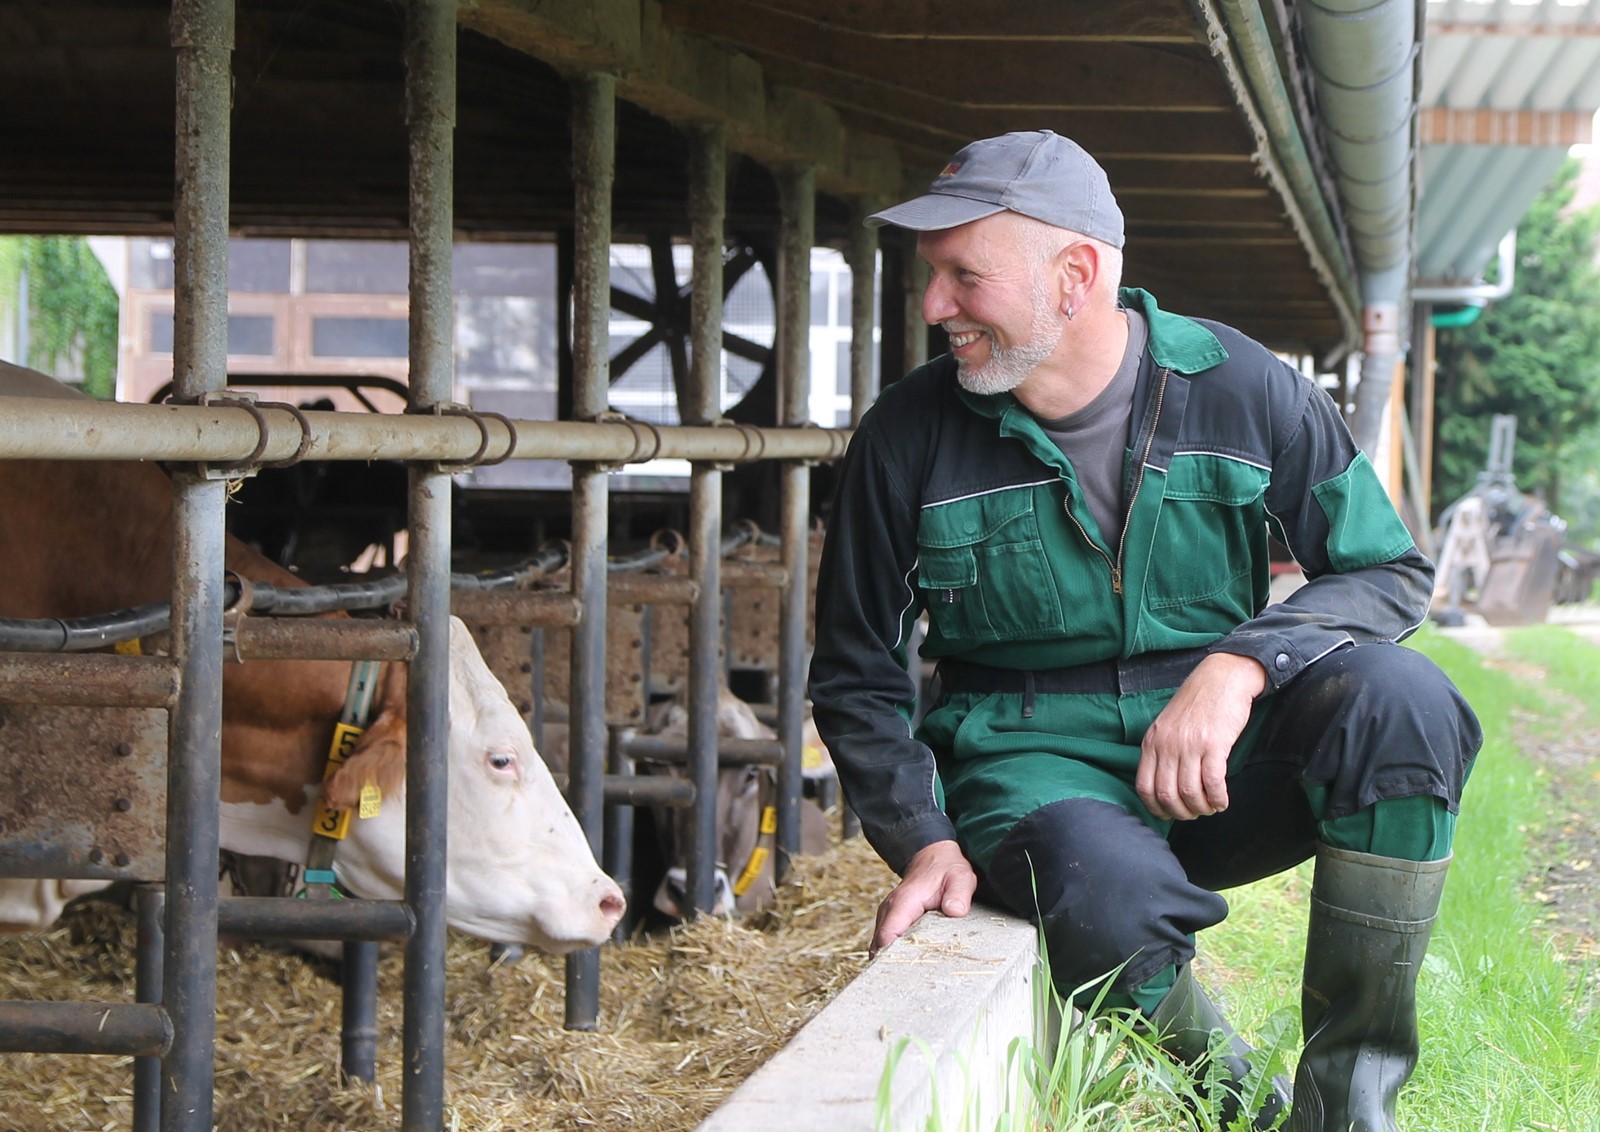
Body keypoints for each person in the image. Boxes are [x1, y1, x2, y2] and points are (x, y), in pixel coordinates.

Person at [808, 130, 1481, 1131]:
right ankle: (1248, 1109)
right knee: (1096, 886)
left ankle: (1349, 1111)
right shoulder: (906, 433)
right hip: (1029, 763)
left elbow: (1387, 569)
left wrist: (1243, 662)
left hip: (1221, 760)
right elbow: (857, 674)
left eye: (962, 276)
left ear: (1074, 275)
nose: (933, 306)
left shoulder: (1244, 386)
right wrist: (922, 834)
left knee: (1405, 702)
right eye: (930, 276)